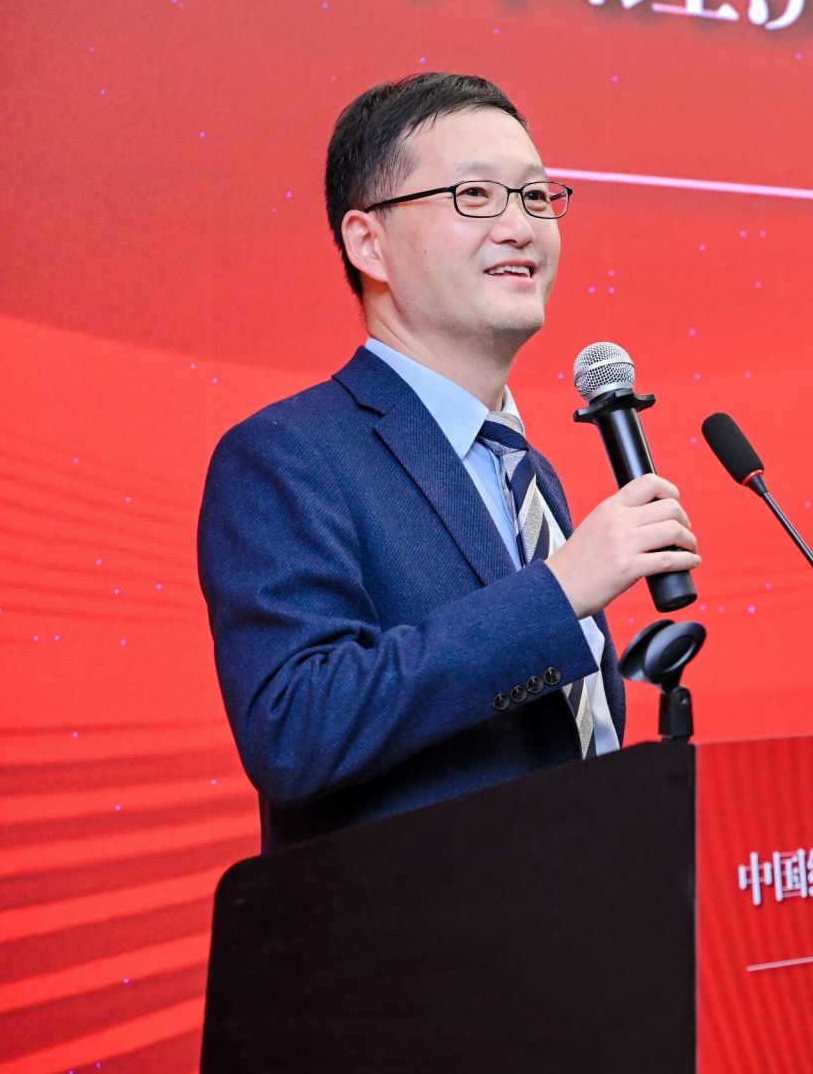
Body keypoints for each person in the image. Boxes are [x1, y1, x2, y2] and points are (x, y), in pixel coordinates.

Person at [197, 73, 700, 850]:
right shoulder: (287, 456)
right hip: (414, 924)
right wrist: (558, 590)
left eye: (535, 196)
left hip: (578, 909)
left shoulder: (527, 473)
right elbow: (295, 728)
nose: (520, 227)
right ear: (368, 242)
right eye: (475, 196)